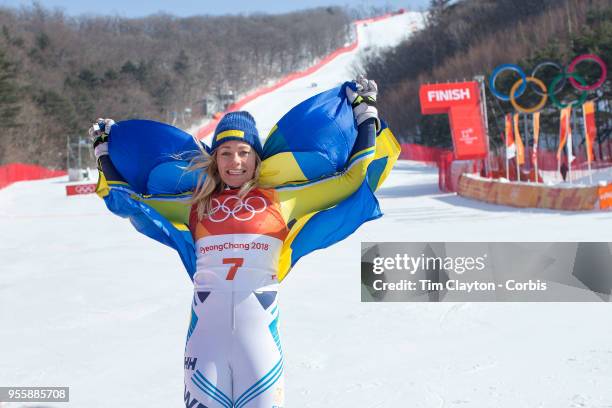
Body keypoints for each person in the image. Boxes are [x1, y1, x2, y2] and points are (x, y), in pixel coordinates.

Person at [90, 76, 380, 408]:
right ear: (214, 160)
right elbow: (130, 200)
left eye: (244, 152)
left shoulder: (284, 200)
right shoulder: (194, 205)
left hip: (257, 344)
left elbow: (352, 177)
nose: (235, 161)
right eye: (225, 153)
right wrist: (104, 149)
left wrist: (364, 112)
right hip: (204, 343)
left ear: (257, 159)